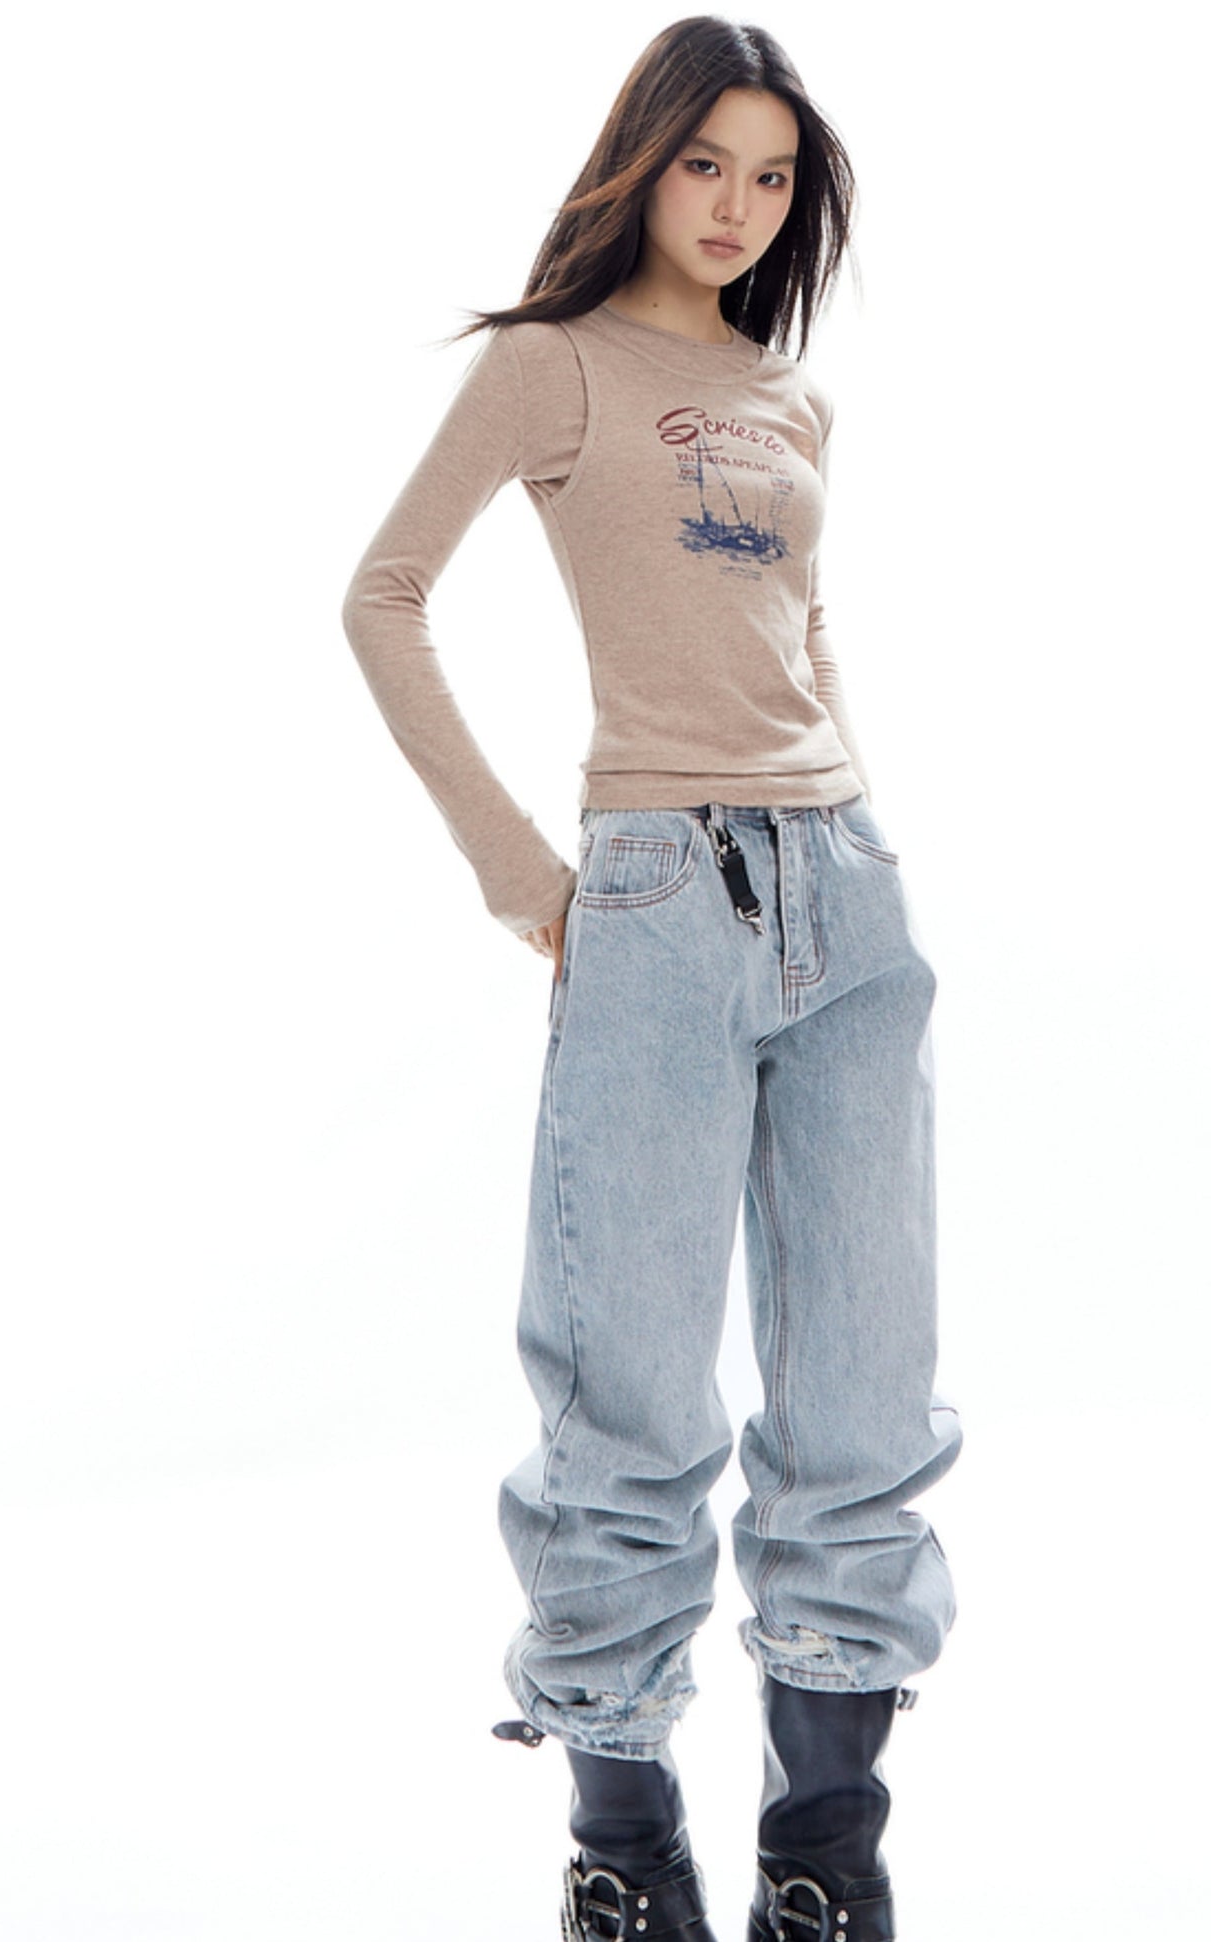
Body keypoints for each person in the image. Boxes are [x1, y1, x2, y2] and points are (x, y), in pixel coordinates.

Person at [340, 17, 964, 1940]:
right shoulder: (553, 366)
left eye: (772, 178)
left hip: (843, 892)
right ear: (642, 159)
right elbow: (382, 595)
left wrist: (859, 830)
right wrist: (519, 872)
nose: (737, 205)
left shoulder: (788, 393)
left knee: (861, 1397)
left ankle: (824, 1859)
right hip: (652, 895)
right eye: (708, 163)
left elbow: (801, 628)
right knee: (628, 1401)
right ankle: (625, 1851)